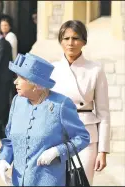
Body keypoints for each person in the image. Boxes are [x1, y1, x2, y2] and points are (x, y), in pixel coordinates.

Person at [0, 53, 90, 186]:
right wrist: (4, 159)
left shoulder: (61, 105)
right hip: (18, 182)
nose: (15, 81)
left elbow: (82, 137)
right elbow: (10, 140)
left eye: (21, 77)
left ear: (36, 85)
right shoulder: (17, 101)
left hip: (49, 181)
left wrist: (58, 151)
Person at [50, 20, 110, 185]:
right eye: (66, 38)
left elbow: (104, 113)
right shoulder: (52, 69)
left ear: (83, 41)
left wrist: (103, 150)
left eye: (75, 38)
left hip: (86, 137)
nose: (71, 43)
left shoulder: (95, 70)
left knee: (82, 182)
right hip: (57, 135)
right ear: (60, 41)